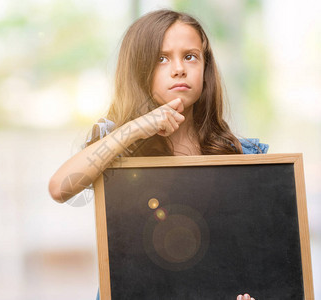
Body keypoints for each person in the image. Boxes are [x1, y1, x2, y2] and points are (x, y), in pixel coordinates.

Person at [49, 9, 268, 300]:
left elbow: (257, 255)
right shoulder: (116, 146)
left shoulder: (242, 154)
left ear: (205, 68)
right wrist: (135, 129)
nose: (178, 68)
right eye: (161, 58)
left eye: (190, 56)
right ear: (139, 69)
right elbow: (60, 187)